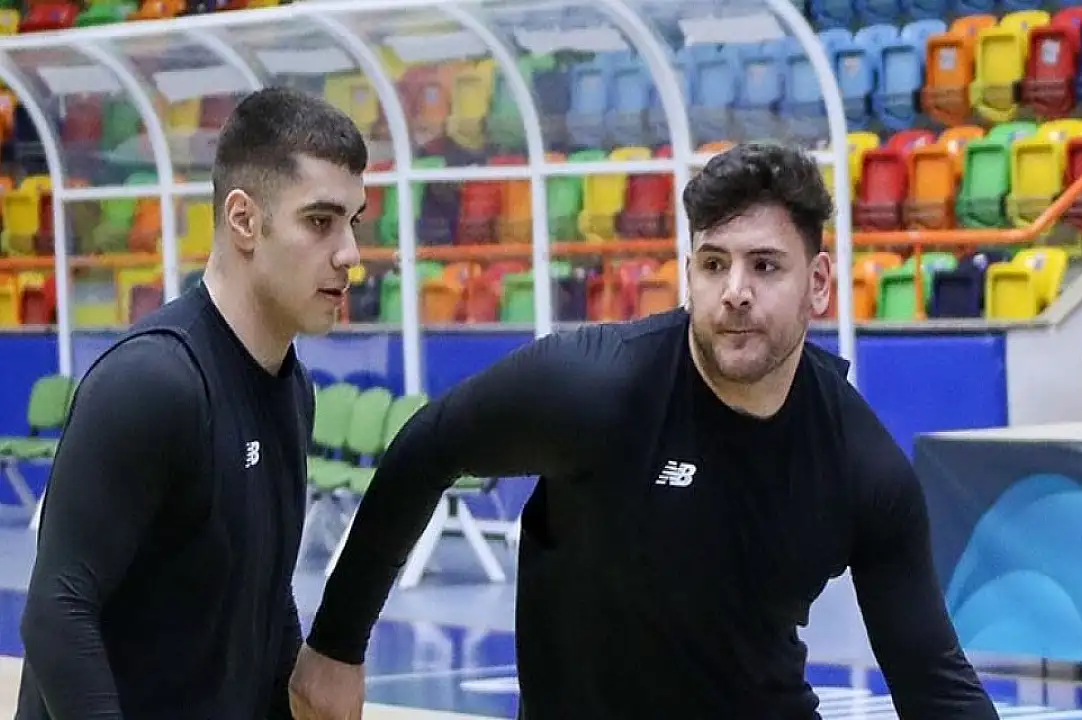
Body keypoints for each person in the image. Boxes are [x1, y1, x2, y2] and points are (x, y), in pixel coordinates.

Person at [288, 143, 999, 720]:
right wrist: (337, 646)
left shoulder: (860, 465)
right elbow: (426, 448)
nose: (736, 291)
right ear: (689, 275)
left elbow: (931, 680)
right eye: (714, 264)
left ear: (818, 283)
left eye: (764, 266)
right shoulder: (594, 387)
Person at [16, 86, 367, 719]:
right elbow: (56, 614)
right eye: (320, 222)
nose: (350, 254)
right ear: (244, 221)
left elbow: (262, 598)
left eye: (354, 222)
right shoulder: (153, 383)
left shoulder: (293, 390)